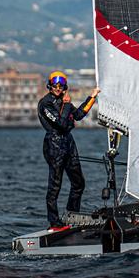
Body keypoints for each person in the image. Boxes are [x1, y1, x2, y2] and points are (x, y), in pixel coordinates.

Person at [37, 70, 101, 231]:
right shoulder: (45, 103)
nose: (58, 88)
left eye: (61, 86)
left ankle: (73, 216)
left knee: (79, 183)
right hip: (54, 143)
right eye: (55, 85)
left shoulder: (64, 102)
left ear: (65, 87)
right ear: (50, 86)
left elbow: (78, 115)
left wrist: (92, 96)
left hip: (68, 143)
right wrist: (66, 105)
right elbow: (61, 123)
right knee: (55, 185)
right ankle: (54, 221)